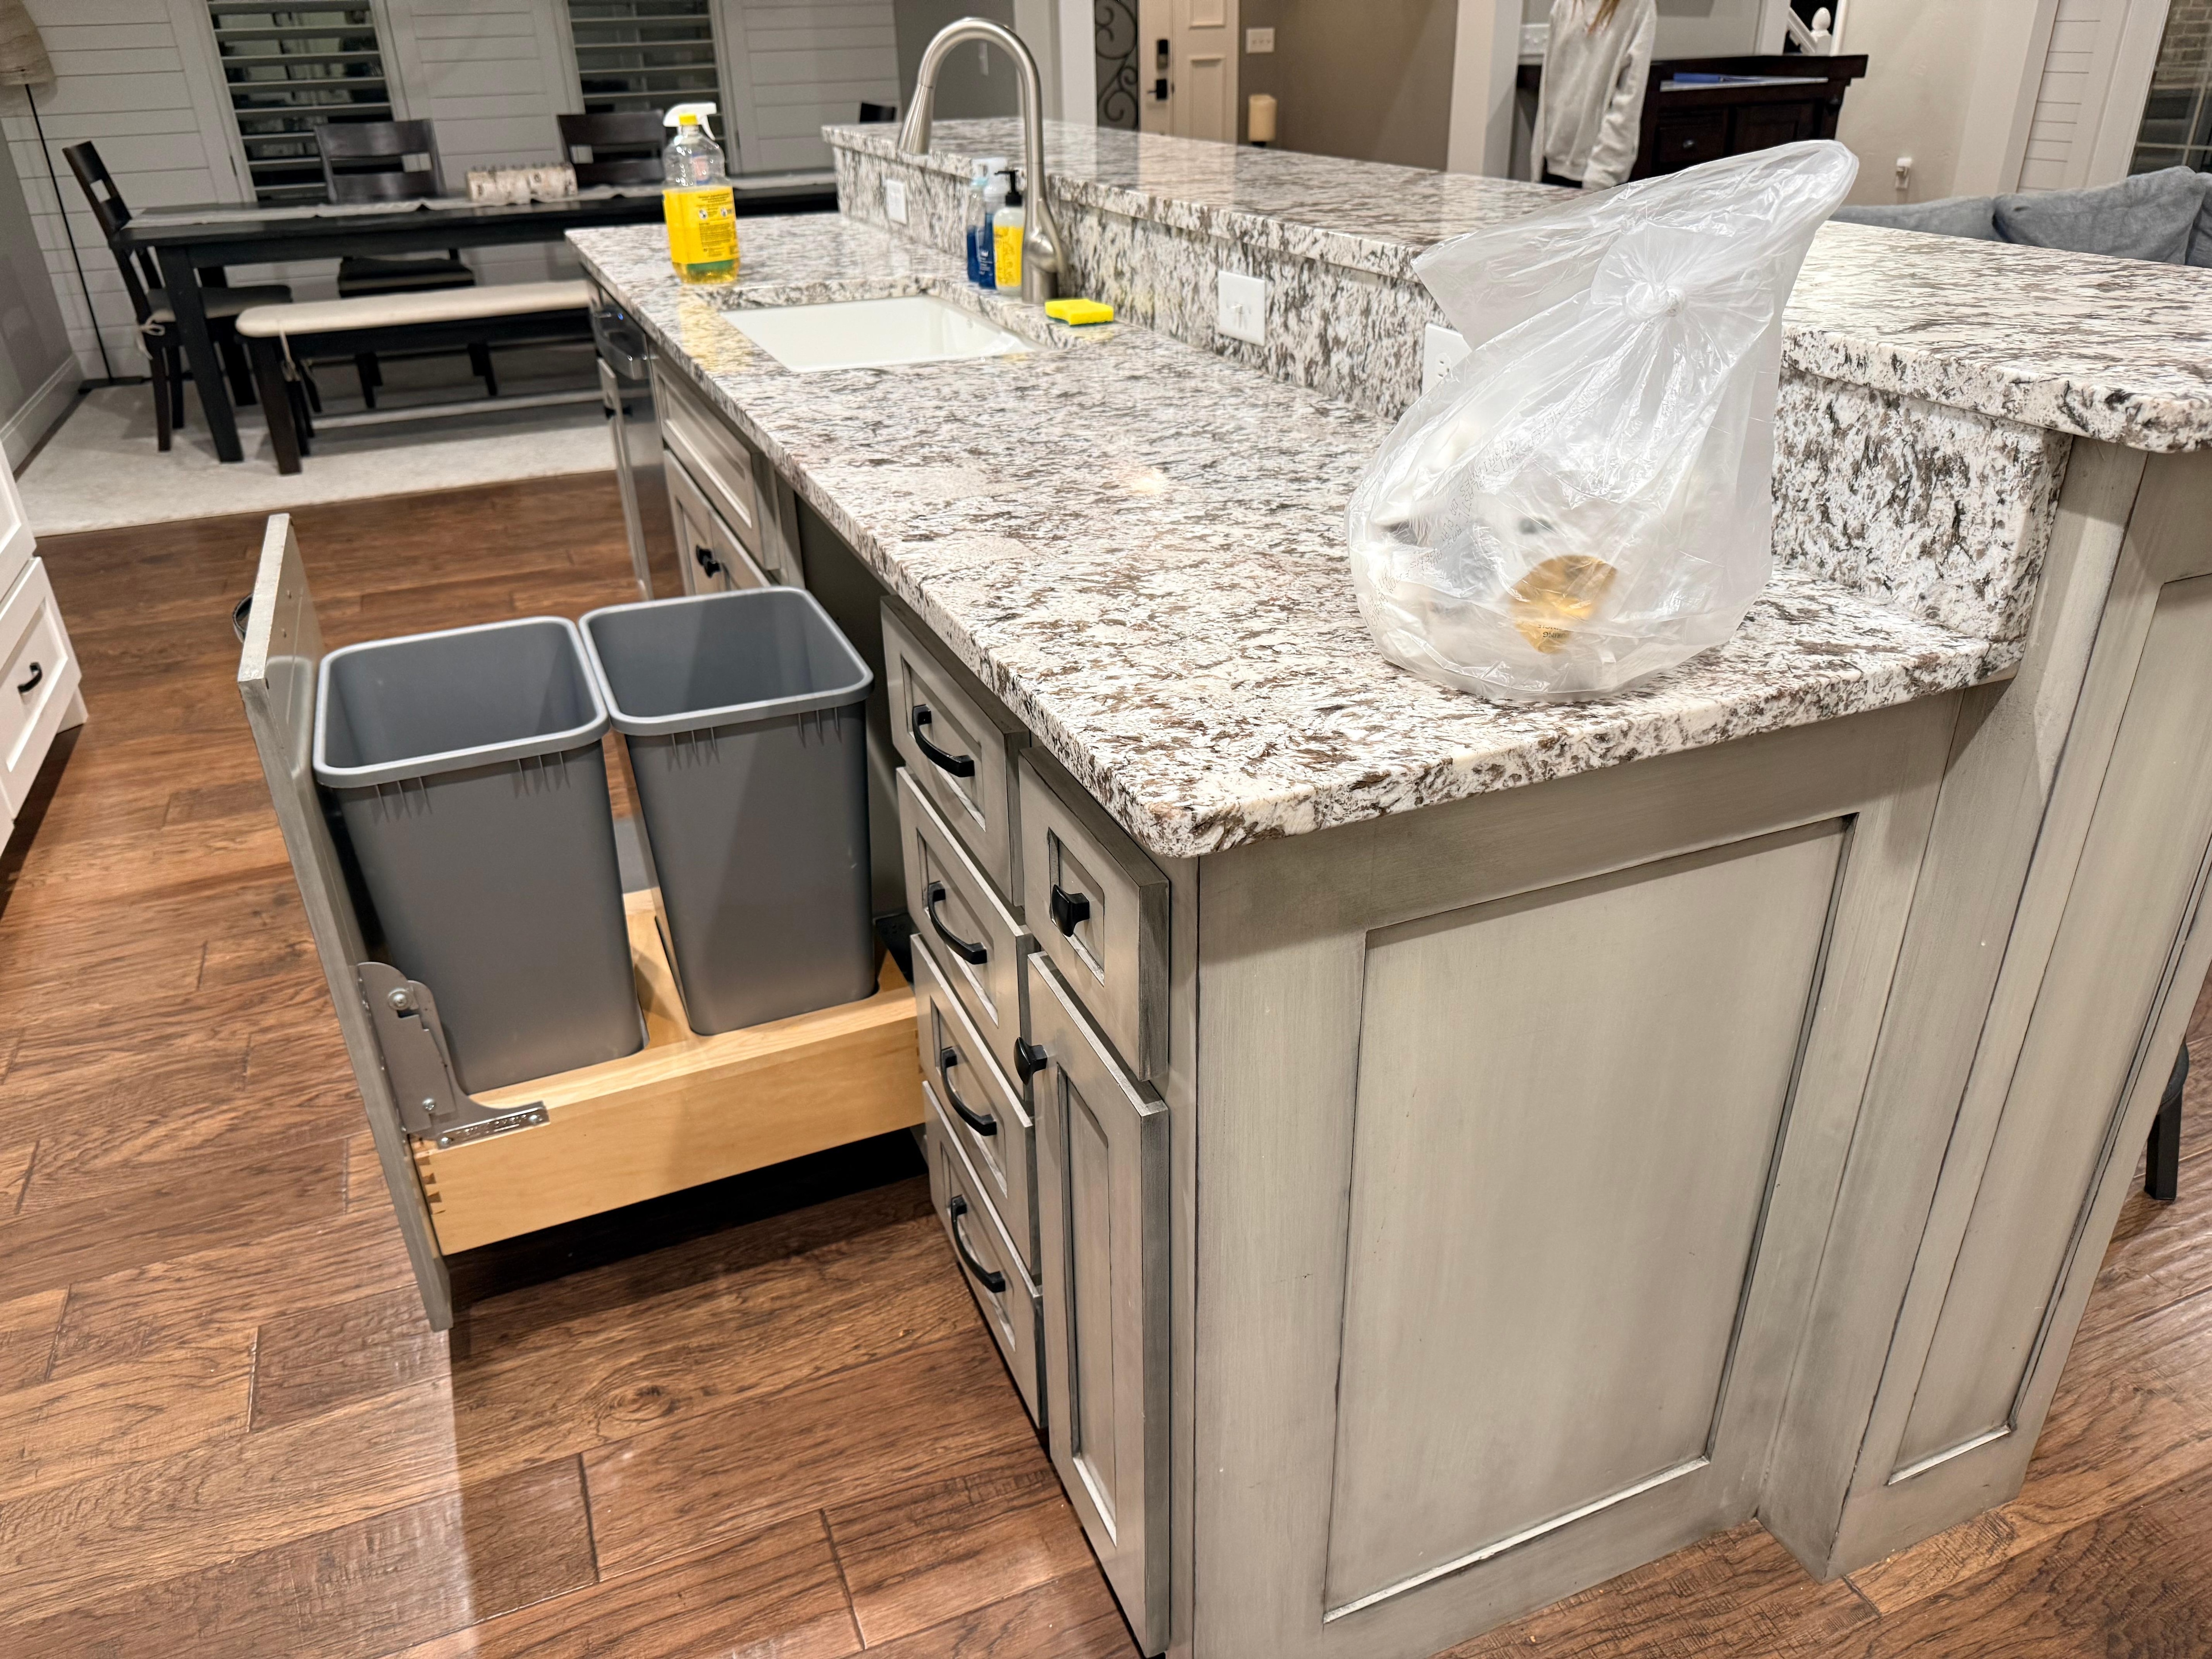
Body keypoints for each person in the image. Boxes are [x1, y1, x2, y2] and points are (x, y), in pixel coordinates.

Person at [1530, 0, 1657, 191]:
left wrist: (1602, 175)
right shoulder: (1565, 4)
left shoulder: (1638, 6)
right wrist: (1538, 162)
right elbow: (1550, 86)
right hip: (1552, 164)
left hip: (1594, 172)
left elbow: (1628, 100)